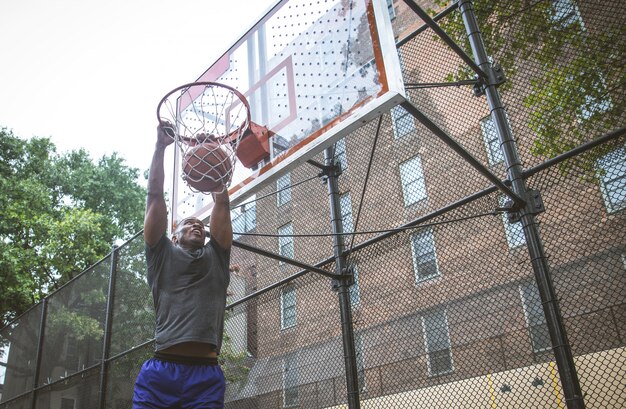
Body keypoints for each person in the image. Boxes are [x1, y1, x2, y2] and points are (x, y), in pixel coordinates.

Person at [132, 122, 233, 409]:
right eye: (189, 224)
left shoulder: (217, 257)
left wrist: (213, 166)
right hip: (161, 372)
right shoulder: (161, 254)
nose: (197, 226)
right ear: (173, 236)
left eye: (201, 225)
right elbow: (154, 198)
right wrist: (160, 148)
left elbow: (222, 207)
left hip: (206, 376)